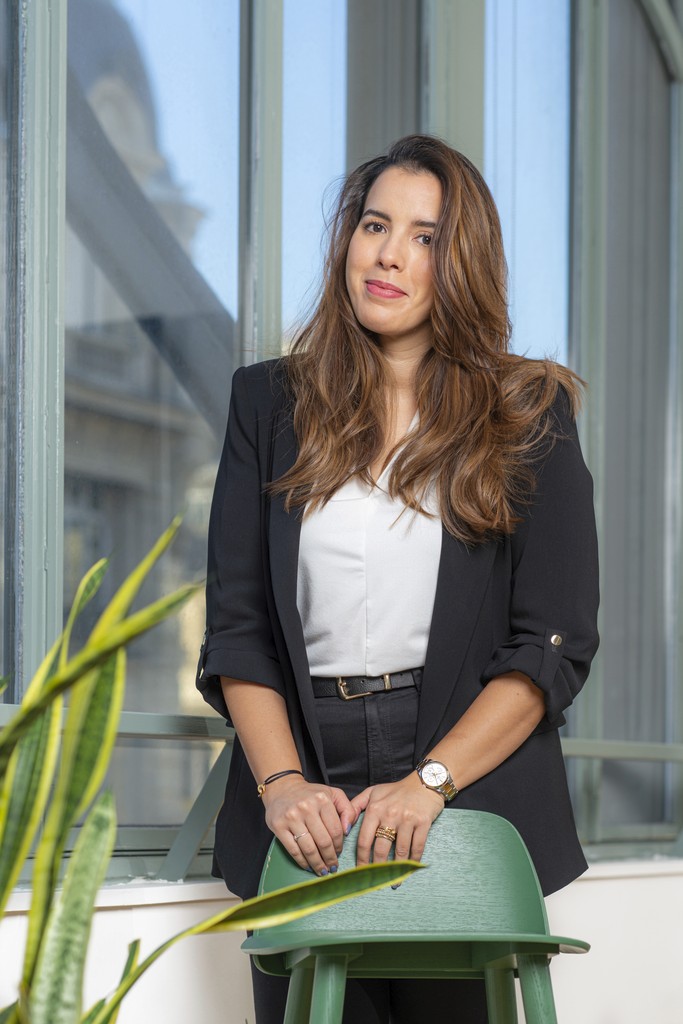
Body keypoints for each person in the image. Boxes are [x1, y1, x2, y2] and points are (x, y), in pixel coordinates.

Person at [196, 134, 599, 1024]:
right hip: (305, 771)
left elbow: (550, 644)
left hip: (466, 769)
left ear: (460, 264)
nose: (388, 254)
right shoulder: (267, 403)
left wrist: (431, 782)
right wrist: (282, 786)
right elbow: (239, 628)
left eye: (424, 236)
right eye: (375, 225)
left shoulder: (530, 412)